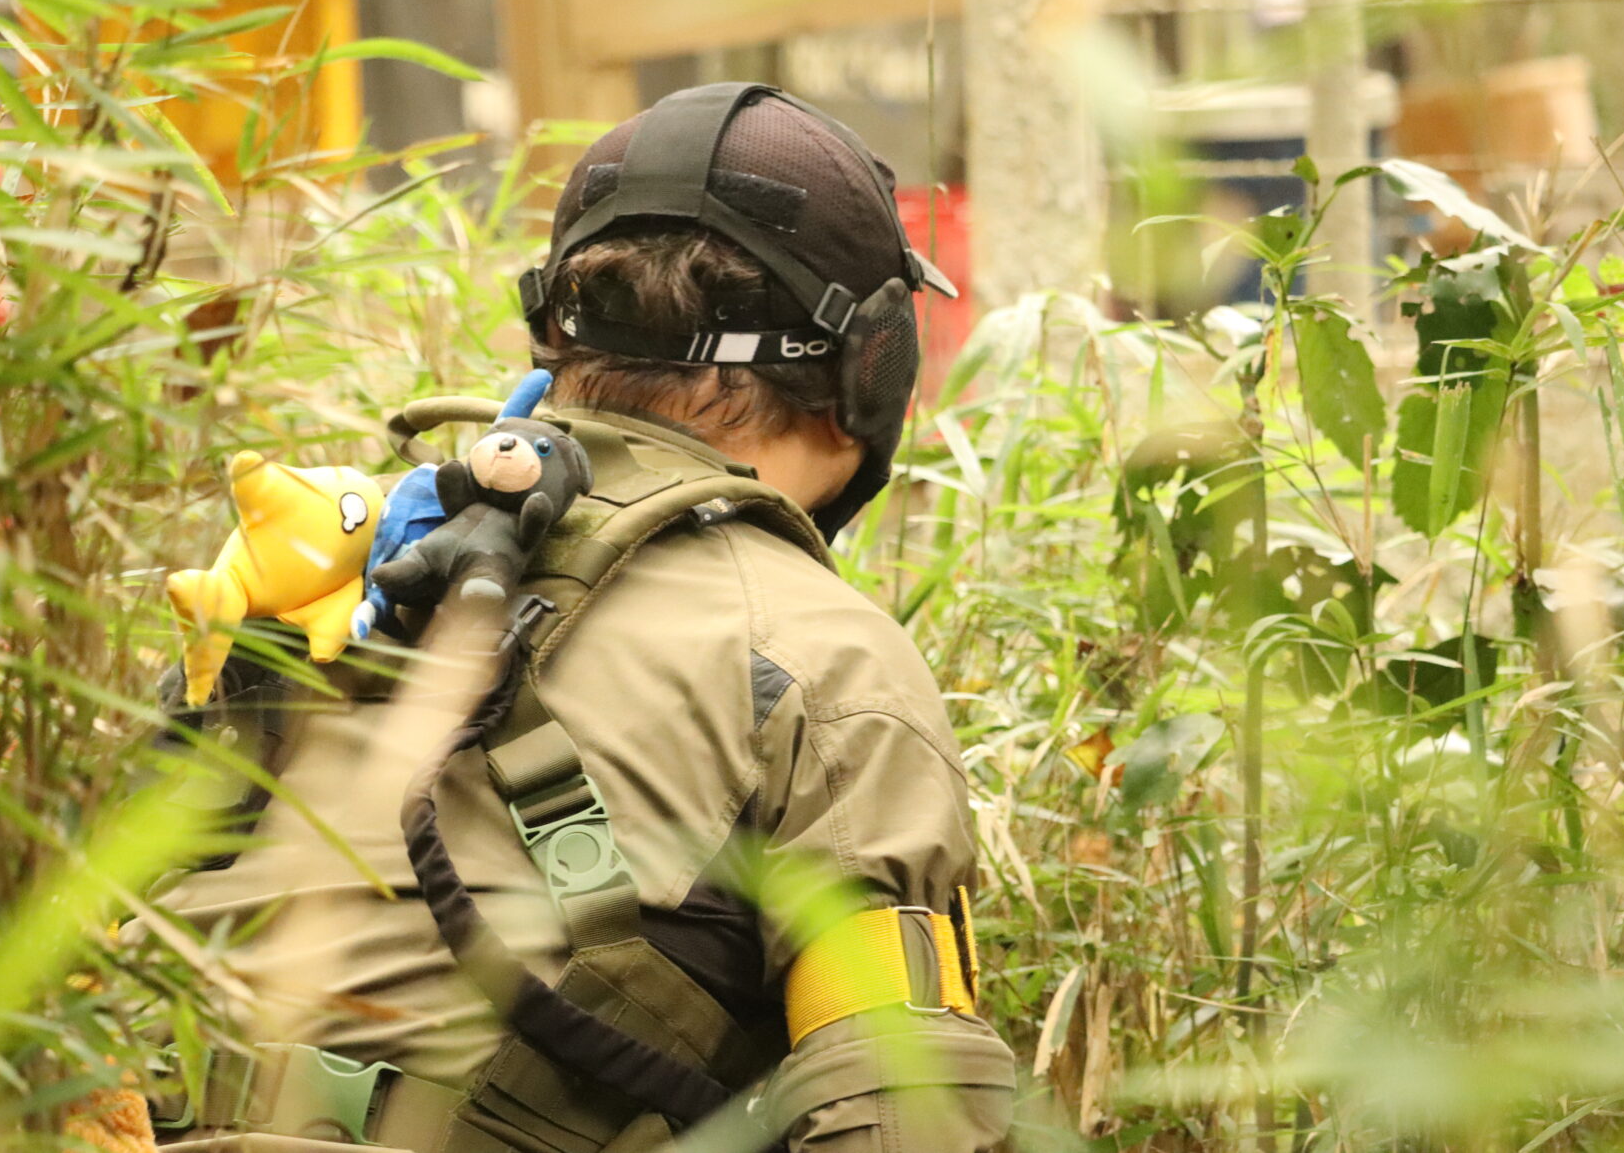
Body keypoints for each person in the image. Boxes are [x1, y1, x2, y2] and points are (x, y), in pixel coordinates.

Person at [147, 83, 1016, 1152]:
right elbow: (904, 1111)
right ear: (869, 363)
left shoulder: (323, 564)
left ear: (553, 329)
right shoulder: (819, 654)